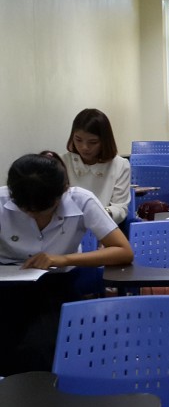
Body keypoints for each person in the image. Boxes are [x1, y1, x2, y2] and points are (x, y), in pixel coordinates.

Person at [0, 152, 134, 375]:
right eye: (26, 211)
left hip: (57, 280)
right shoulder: (2, 201)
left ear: (63, 191)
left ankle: (44, 390)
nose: (34, 217)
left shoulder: (81, 200)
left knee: (46, 345)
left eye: (43, 211)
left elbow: (123, 251)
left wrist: (63, 259)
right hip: (7, 282)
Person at [60, 108, 131, 224]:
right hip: (67, 227)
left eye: (93, 142)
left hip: (104, 225)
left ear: (105, 141)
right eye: (78, 140)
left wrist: (98, 214)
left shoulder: (120, 165)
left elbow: (120, 209)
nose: (84, 147)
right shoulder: (62, 162)